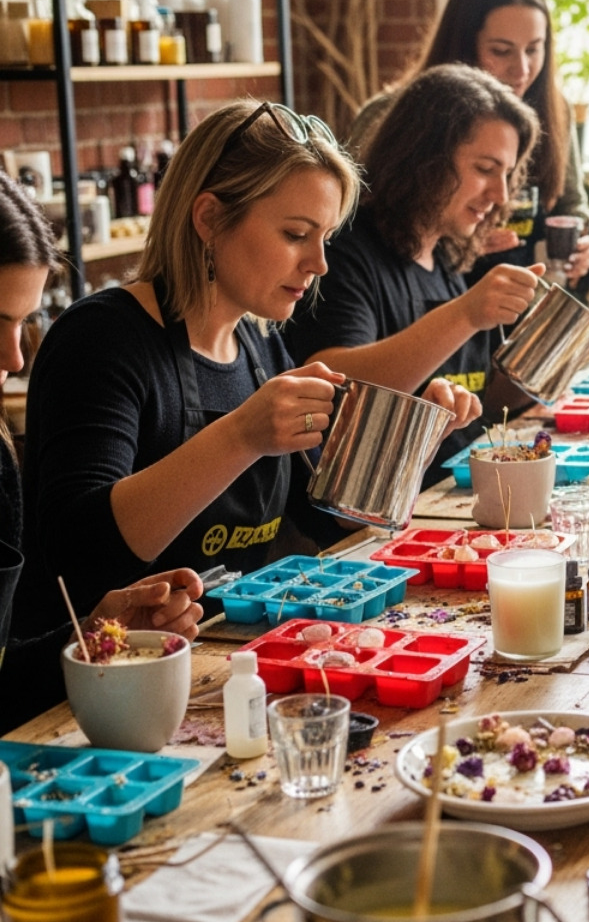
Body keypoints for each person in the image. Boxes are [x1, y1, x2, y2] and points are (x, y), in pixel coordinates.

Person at [9, 103, 478, 725]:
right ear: (209, 218)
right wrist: (241, 436)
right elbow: (83, 550)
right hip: (101, 702)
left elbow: (326, 515)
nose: (319, 265)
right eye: (294, 234)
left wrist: (413, 437)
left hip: (227, 669)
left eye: (325, 238)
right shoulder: (101, 340)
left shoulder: (256, 343)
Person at [0, 173, 203, 732]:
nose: (15, 358)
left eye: (24, 324)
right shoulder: (104, 339)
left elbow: (2, 676)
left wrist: (90, 632)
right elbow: (81, 542)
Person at [284, 64, 545, 484]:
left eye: (507, 174)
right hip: (360, 515)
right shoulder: (346, 251)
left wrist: (544, 357)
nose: (499, 194)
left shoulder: (444, 260)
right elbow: (329, 380)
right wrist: (466, 315)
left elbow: (477, 402)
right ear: (426, 157)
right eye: (484, 168)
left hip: (454, 496)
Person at [348, 0, 589, 281]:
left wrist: (582, 243)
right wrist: (452, 246)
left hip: (527, 304)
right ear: (463, 45)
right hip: (428, 305)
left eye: (534, 50)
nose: (521, 70)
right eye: (502, 51)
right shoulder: (389, 116)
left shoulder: (553, 109)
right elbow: (358, 235)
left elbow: (570, 205)